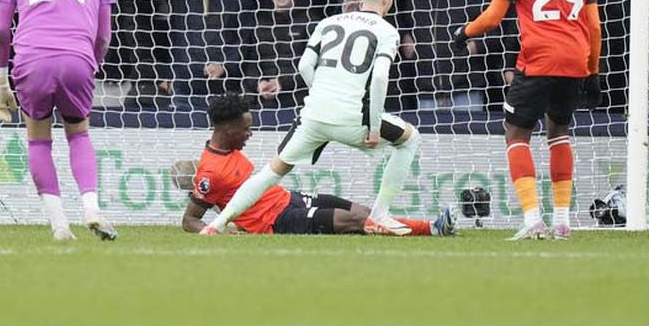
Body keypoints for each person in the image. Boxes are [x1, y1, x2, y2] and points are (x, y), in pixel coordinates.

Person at [199, 0, 424, 237]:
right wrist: (374, 127)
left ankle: (216, 224)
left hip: (313, 115)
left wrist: (320, 93)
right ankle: (380, 214)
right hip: (353, 118)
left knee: (273, 171)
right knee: (409, 139)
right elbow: (380, 76)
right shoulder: (387, 31)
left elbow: (304, 65)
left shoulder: (329, 22)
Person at [452, 0, 602, 240]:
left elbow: (493, 17)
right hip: (575, 59)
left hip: (539, 59)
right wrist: (593, 70)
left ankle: (533, 219)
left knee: (516, 134)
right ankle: (562, 221)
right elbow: (594, 25)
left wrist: (464, 33)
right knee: (558, 132)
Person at [0, 0, 118, 241]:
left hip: (32, 59)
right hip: (77, 56)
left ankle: (59, 225)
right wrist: (91, 63)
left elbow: (2, 32)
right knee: (78, 133)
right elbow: (103, 35)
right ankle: (91, 206)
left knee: (38, 139)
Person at [178, 94, 455, 236]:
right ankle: (433, 228)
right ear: (227, 130)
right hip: (278, 221)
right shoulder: (210, 172)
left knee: (365, 212)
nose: (250, 133)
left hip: (289, 199)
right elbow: (189, 219)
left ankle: (426, 227)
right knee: (359, 222)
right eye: (245, 129)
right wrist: (219, 230)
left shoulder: (225, 151)